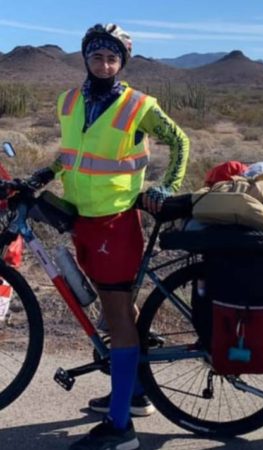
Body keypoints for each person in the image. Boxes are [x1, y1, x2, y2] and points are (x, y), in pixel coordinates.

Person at [29, 23, 190, 450]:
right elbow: (71, 155)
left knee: (117, 318)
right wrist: (45, 173)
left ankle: (121, 430)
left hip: (116, 223)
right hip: (84, 219)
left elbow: (180, 142)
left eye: (112, 57)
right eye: (97, 56)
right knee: (117, 310)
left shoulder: (137, 105)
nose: (104, 63)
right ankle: (135, 396)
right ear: (86, 57)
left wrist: (167, 186)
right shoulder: (69, 102)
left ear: (122, 62)